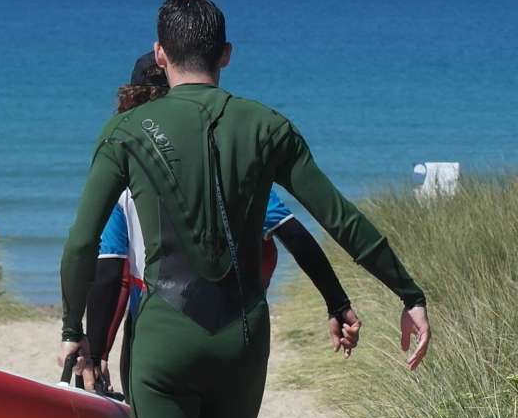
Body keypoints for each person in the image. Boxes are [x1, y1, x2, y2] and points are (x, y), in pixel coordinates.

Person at [58, 0, 430, 418]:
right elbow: (337, 218)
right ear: (226, 56)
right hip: (243, 341)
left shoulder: (126, 132)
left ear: (160, 54)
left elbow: (81, 245)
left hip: (165, 340)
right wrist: (407, 292)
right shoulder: (266, 125)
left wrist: (72, 329)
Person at [76, 54, 361, 397]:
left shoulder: (125, 169)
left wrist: (95, 353)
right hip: (231, 328)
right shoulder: (229, 165)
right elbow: (295, 236)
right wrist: (336, 301)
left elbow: (109, 273)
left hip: (157, 329)